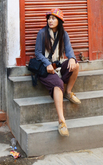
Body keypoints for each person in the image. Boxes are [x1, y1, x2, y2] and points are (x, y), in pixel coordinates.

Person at [35, 8, 81, 137]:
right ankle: (61, 121)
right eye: (49, 18)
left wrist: (71, 58)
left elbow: (69, 49)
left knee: (76, 64)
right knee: (57, 84)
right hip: (46, 69)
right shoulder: (42, 33)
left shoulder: (63, 34)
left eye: (53, 18)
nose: (50, 20)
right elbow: (37, 53)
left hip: (59, 67)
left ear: (59, 21)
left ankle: (68, 92)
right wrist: (47, 63)